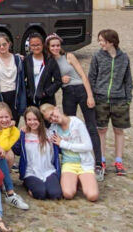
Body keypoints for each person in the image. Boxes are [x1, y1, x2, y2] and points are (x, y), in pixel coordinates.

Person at [45, 33, 102, 180]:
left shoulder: (68, 56)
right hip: (67, 93)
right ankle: (71, 159)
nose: (56, 48)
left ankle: (98, 163)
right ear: (48, 47)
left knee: (91, 126)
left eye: (58, 45)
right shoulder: (49, 61)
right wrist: (60, 79)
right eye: (53, 46)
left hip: (81, 90)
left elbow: (83, 75)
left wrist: (90, 95)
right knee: (68, 127)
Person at [88, 28, 133, 177]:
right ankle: (101, 160)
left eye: (102, 41)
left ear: (111, 42)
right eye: (99, 40)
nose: (100, 43)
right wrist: (93, 96)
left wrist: (128, 99)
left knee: (119, 130)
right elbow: (91, 78)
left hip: (119, 100)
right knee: (101, 130)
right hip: (101, 99)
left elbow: (128, 80)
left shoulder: (124, 58)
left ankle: (118, 161)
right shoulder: (97, 57)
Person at [40, 104, 99, 202]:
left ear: (56, 109)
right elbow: (41, 134)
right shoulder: (53, 128)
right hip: (69, 163)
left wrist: (64, 144)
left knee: (92, 196)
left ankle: (82, 180)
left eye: (52, 114)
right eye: (49, 119)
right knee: (68, 194)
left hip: (84, 163)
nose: (53, 118)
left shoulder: (76, 123)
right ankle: (76, 180)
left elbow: (88, 146)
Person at [18, 106, 62, 200]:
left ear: (40, 119)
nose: (32, 122)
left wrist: (61, 141)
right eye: (29, 119)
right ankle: (27, 185)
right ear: (25, 121)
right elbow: (15, 149)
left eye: (35, 119)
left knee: (55, 194)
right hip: (31, 172)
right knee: (40, 193)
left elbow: (61, 148)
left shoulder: (50, 134)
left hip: (48, 170)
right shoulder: (23, 135)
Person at [0, 33, 26, 124]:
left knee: (14, 124)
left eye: (4, 44)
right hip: (1, 96)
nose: (1, 47)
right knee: (2, 125)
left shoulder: (17, 59)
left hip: (15, 96)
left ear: (9, 44)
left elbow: (21, 81)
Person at [23, 32, 61, 109]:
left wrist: (46, 93)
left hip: (47, 101)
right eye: (33, 45)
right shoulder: (26, 60)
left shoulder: (50, 60)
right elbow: (21, 79)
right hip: (31, 101)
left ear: (43, 45)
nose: (36, 47)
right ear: (30, 46)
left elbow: (58, 81)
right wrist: (28, 92)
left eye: (38, 44)